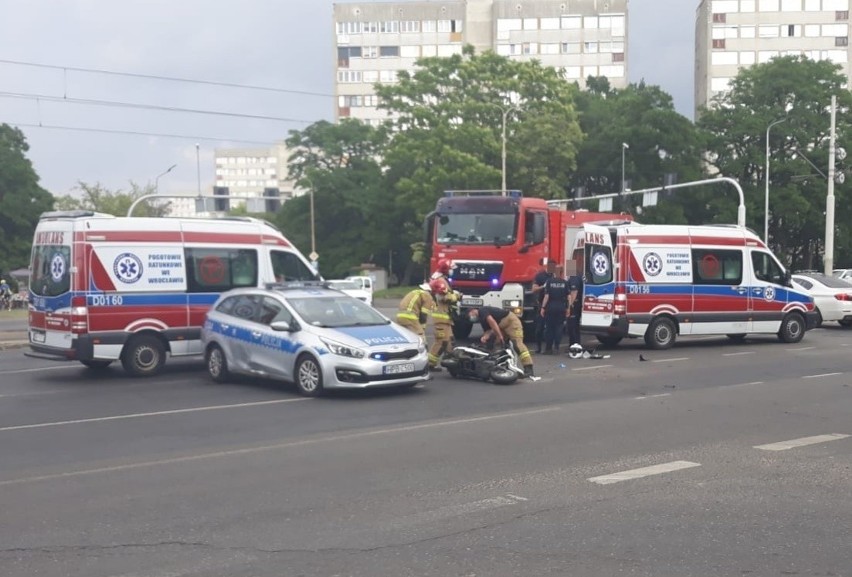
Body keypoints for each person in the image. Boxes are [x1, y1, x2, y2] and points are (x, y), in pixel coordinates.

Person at [468, 306, 534, 378]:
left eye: (470, 314)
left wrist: (500, 336)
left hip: (511, 322)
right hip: (500, 326)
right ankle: (500, 366)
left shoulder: (482, 310)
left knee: (517, 344)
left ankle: (528, 368)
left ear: (473, 310)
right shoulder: (481, 319)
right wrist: (485, 337)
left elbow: (492, 322)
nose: (471, 317)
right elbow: (488, 330)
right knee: (496, 345)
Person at [427, 277, 459, 372]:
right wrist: (457, 295)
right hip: (440, 322)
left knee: (450, 342)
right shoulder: (439, 294)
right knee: (441, 343)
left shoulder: (441, 290)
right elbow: (448, 298)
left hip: (446, 322)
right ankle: (430, 364)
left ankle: (451, 362)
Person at [540, 266, 569, 354]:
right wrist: (568, 308)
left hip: (550, 308)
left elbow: (546, 296)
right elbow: (569, 297)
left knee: (549, 328)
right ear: (562, 272)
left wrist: (543, 307)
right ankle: (556, 346)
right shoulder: (565, 283)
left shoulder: (549, 281)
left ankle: (548, 348)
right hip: (561, 307)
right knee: (559, 327)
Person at [531, 262, 555, 353]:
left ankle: (549, 348)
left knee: (551, 328)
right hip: (542, 305)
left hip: (553, 304)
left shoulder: (556, 275)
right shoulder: (540, 276)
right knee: (539, 328)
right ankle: (538, 347)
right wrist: (543, 286)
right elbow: (533, 289)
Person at [566, 269, 583, 349]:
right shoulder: (577, 278)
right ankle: (575, 344)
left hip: (574, 306)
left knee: (572, 327)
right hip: (577, 305)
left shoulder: (573, 279)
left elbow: (574, 292)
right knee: (575, 326)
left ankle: (574, 345)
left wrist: (569, 305)